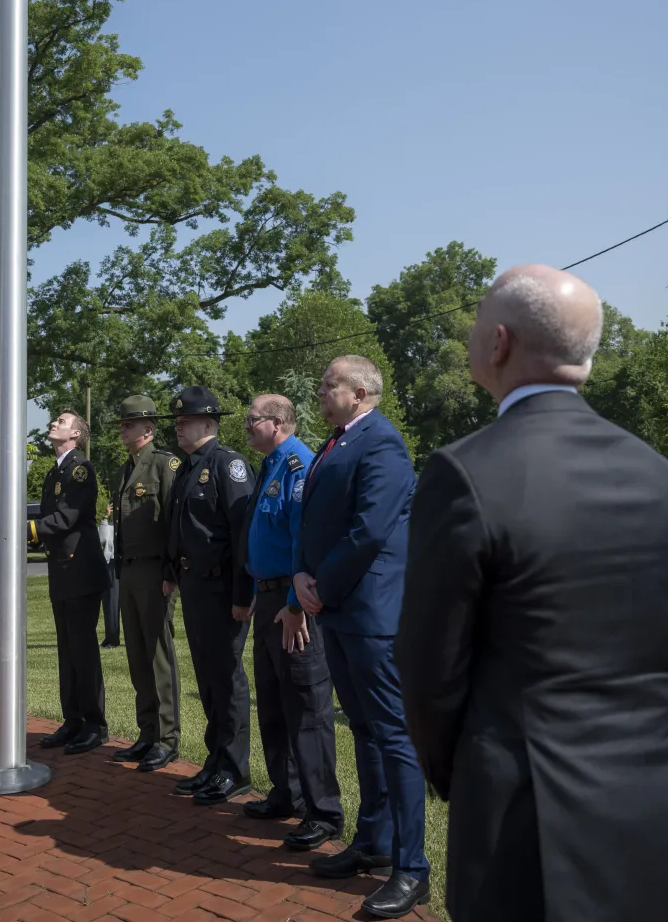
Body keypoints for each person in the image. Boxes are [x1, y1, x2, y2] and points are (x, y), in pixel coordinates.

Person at [396, 264, 668, 922]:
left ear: (497, 343)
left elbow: (427, 669)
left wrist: (464, 775)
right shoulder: (660, 477)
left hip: (531, 822)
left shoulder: (464, 473)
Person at [294, 356, 429, 920]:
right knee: (366, 732)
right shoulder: (336, 441)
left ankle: (412, 866)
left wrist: (320, 583)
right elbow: (315, 520)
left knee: (393, 735)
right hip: (338, 606)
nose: (320, 392)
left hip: (370, 609)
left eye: (328, 386)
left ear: (359, 391)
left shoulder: (382, 442)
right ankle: (372, 843)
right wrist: (302, 573)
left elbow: (370, 528)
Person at [238, 394, 343, 850]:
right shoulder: (270, 466)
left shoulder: (299, 465)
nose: (246, 428)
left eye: (251, 421)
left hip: (291, 605)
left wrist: (294, 605)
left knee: (307, 710)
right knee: (275, 706)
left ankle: (323, 813)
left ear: (277, 423)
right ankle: (287, 793)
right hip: (268, 602)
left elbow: (308, 541)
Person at [164, 386, 255, 804]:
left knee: (227, 678)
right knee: (208, 679)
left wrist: (243, 594)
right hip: (196, 588)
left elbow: (242, 536)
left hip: (223, 590)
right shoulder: (186, 469)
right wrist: (171, 573)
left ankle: (235, 770)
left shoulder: (228, 465)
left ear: (209, 424)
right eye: (178, 421)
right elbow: (178, 529)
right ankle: (216, 760)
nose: (179, 427)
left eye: (186, 421)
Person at [28, 409, 109, 755]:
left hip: (80, 571)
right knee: (67, 650)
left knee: (83, 650)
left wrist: (29, 529)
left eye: (61, 422)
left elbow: (68, 517)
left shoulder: (80, 469)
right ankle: (72, 720)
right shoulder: (55, 471)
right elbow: (50, 519)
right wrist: (34, 536)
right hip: (61, 570)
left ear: (76, 435)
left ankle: (94, 725)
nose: (53, 424)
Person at [110, 394, 182, 772]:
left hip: (156, 572)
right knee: (137, 654)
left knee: (157, 655)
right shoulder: (127, 468)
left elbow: (173, 521)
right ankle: (147, 732)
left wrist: (172, 572)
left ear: (148, 429)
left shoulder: (163, 464)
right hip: (131, 570)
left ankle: (168, 738)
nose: (123, 429)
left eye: (128, 424)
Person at [98, 503, 120, 648]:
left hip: (123, 562)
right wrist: (105, 518)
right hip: (112, 563)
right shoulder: (109, 525)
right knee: (111, 603)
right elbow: (103, 540)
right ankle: (111, 637)